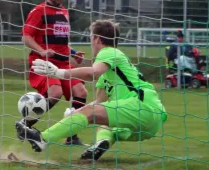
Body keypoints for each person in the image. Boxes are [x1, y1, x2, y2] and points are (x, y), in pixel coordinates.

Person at [16, 19, 168, 161]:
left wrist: (59, 73)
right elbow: (99, 102)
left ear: (97, 39)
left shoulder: (109, 52)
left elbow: (92, 73)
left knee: (90, 113)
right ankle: (102, 143)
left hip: (142, 106)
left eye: (91, 38)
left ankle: (42, 138)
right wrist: (76, 112)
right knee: (103, 123)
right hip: (150, 123)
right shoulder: (110, 72)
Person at [20, 0, 88, 146]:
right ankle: (25, 124)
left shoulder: (64, 12)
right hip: (43, 64)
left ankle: (71, 136)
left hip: (63, 63)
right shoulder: (38, 11)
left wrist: (73, 53)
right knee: (55, 93)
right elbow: (26, 37)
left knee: (81, 92)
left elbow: (60, 40)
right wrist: (42, 51)